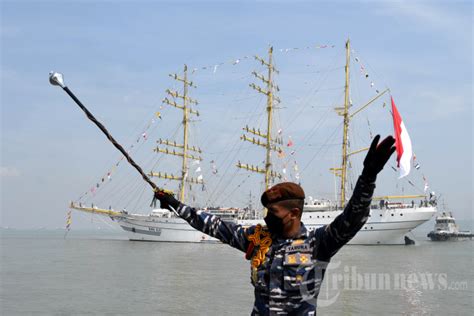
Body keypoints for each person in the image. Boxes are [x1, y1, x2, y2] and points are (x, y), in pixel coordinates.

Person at [155, 135, 395, 315]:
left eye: (274, 212)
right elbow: (212, 225)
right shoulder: (258, 239)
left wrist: (368, 176)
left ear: (294, 213)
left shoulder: (317, 244)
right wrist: (174, 203)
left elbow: (353, 218)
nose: (267, 217)